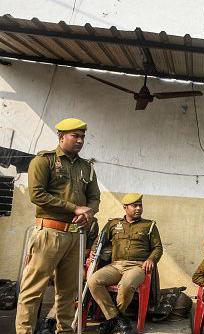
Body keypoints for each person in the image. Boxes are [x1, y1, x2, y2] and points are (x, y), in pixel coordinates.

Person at [16, 118, 100, 334]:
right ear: (61, 137)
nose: (80, 140)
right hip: (49, 233)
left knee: (68, 292)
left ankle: (64, 331)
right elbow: (37, 195)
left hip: (75, 237)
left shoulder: (86, 168)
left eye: (82, 136)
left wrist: (88, 213)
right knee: (33, 290)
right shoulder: (45, 161)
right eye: (75, 136)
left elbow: (94, 198)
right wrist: (74, 208)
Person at [88, 193, 163, 334]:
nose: (138, 209)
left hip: (137, 266)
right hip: (116, 265)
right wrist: (93, 251)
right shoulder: (113, 224)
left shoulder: (149, 225)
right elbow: (100, 240)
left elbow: (158, 248)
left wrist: (151, 259)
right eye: (135, 206)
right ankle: (116, 318)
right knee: (93, 281)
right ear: (125, 207)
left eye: (140, 205)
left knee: (126, 285)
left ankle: (113, 320)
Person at [35, 219, 99, 334]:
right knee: (36, 284)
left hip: (73, 263)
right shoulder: (56, 217)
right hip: (51, 259)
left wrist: (72, 253)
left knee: (69, 284)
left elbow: (87, 249)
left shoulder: (92, 223)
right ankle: (37, 321)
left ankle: (50, 320)